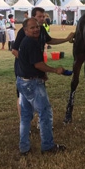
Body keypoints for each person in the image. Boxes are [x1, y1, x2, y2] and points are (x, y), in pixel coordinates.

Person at [12, 7, 75, 126]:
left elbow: (50, 41)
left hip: (37, 66)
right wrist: (28, 64)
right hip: (24, 69)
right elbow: (14, 51)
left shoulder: (40, 30)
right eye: (39, 16)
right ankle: (25, 123)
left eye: (43, 16)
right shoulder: (24, 31)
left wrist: (66, 39)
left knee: (39, 93)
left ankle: (40, 122)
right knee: (23, 96)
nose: (42, 19)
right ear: (33, 17)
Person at [16, 18, 69, 155]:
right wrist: (54, 70)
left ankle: (24, 147)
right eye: (32, 28)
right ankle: (48, 146)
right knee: (45, 113)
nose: (36, 29)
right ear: (25, 30)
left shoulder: (25, 42)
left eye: (37, 27)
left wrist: (41, 74)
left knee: (26, 116)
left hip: (22, 81)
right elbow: (38, 64)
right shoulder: (31, 43)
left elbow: (28, 63)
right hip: (32, 84)